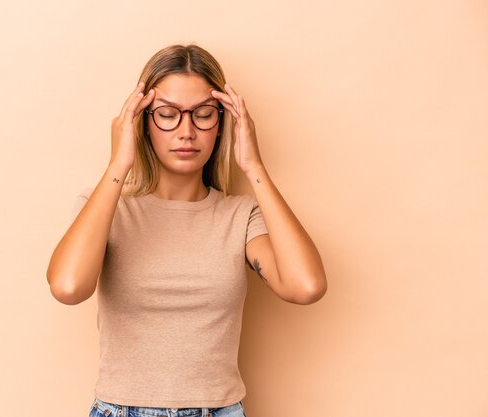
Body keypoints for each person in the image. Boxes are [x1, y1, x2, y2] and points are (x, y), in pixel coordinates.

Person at [46, 44, 327, 417]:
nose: (187, 131)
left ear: (223, 122)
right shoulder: (108, 209)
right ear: (142, 122)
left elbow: (306, 286)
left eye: (204, 115)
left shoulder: (240, 215)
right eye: (167, 115)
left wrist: (253, 164)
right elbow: (67, 287)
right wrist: (119, 161)